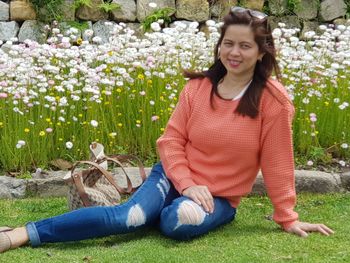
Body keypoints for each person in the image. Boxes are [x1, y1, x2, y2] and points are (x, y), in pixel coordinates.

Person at [0, 7, 334, 253]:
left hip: (217, 196)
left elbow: (278, 163)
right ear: (219, 46)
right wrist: (185, 182)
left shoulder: (274, 101)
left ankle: (179, 214)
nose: (234, 52)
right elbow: (171, 141)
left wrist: (287, 217)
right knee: (128, 217)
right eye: (228, 43)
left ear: (262, 52)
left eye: (245, 46)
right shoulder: (198, 88)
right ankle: (20, 234)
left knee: (177, 222)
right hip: (173, 176)